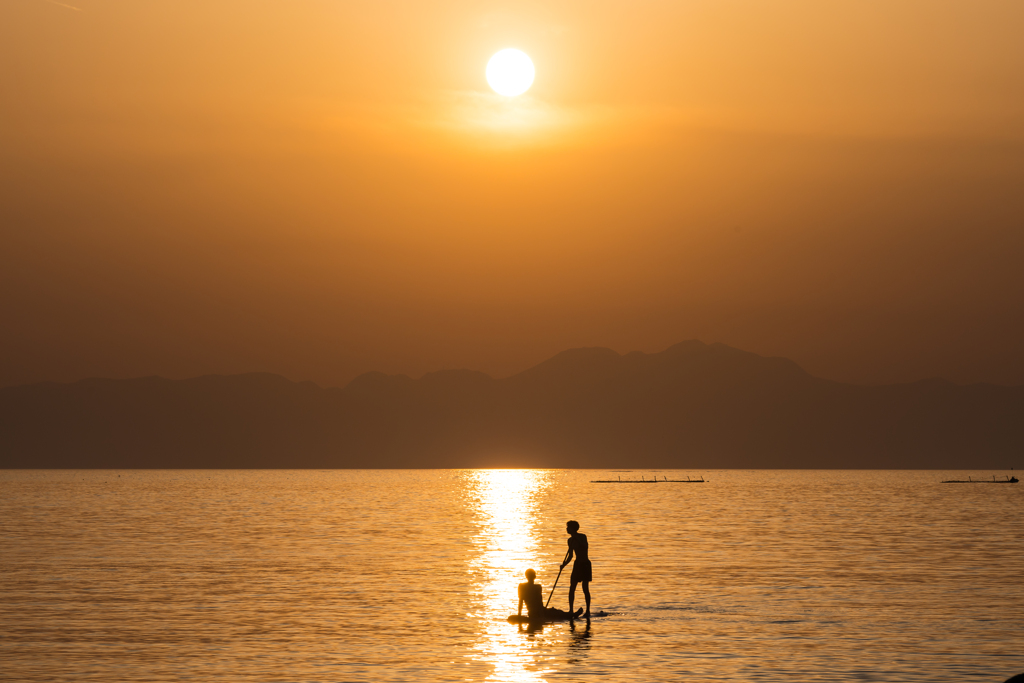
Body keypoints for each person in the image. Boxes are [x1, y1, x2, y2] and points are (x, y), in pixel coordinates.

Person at [561, 520, 591, 618]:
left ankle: (587, 611)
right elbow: (570, 556)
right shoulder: (570, 540)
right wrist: (563, 565)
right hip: (577, 564)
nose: (566, 529)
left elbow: (585, 547)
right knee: (572, 588)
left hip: (585, 564)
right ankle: (571, 610)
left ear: (573, 529)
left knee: (585, 588)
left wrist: (576, 539)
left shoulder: (582, 537)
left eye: (568, 527)